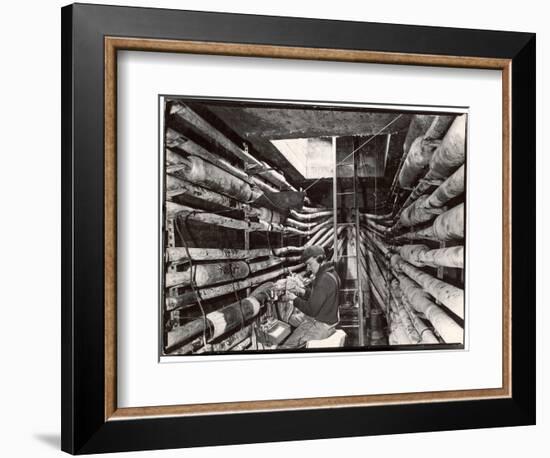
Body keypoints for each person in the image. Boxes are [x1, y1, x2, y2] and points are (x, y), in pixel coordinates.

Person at [279, 245, 341, 349]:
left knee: (287, 347)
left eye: (309, 264)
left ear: (319, 259)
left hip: (322, 325)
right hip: (326, 320)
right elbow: (319, 296)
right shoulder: (331, 273)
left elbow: (311, 310)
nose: (308, 268)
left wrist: (293, 298)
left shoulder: (324, 279)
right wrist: (301, 291)